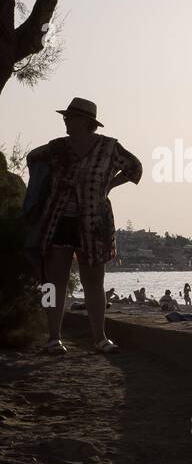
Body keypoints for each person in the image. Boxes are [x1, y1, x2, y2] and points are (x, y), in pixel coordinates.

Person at [25, 98, 142, 354]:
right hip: (58, 220)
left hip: (93, 223)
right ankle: (53, 337)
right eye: (65, 117)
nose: (65, 120)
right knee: (52, 282)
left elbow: (135, 169)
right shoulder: (56, 147)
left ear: (85, 122)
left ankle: (99, 338)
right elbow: (32, 158)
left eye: (70, 117)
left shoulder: (109, 147)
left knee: (93, 281)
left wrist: (109, 185)